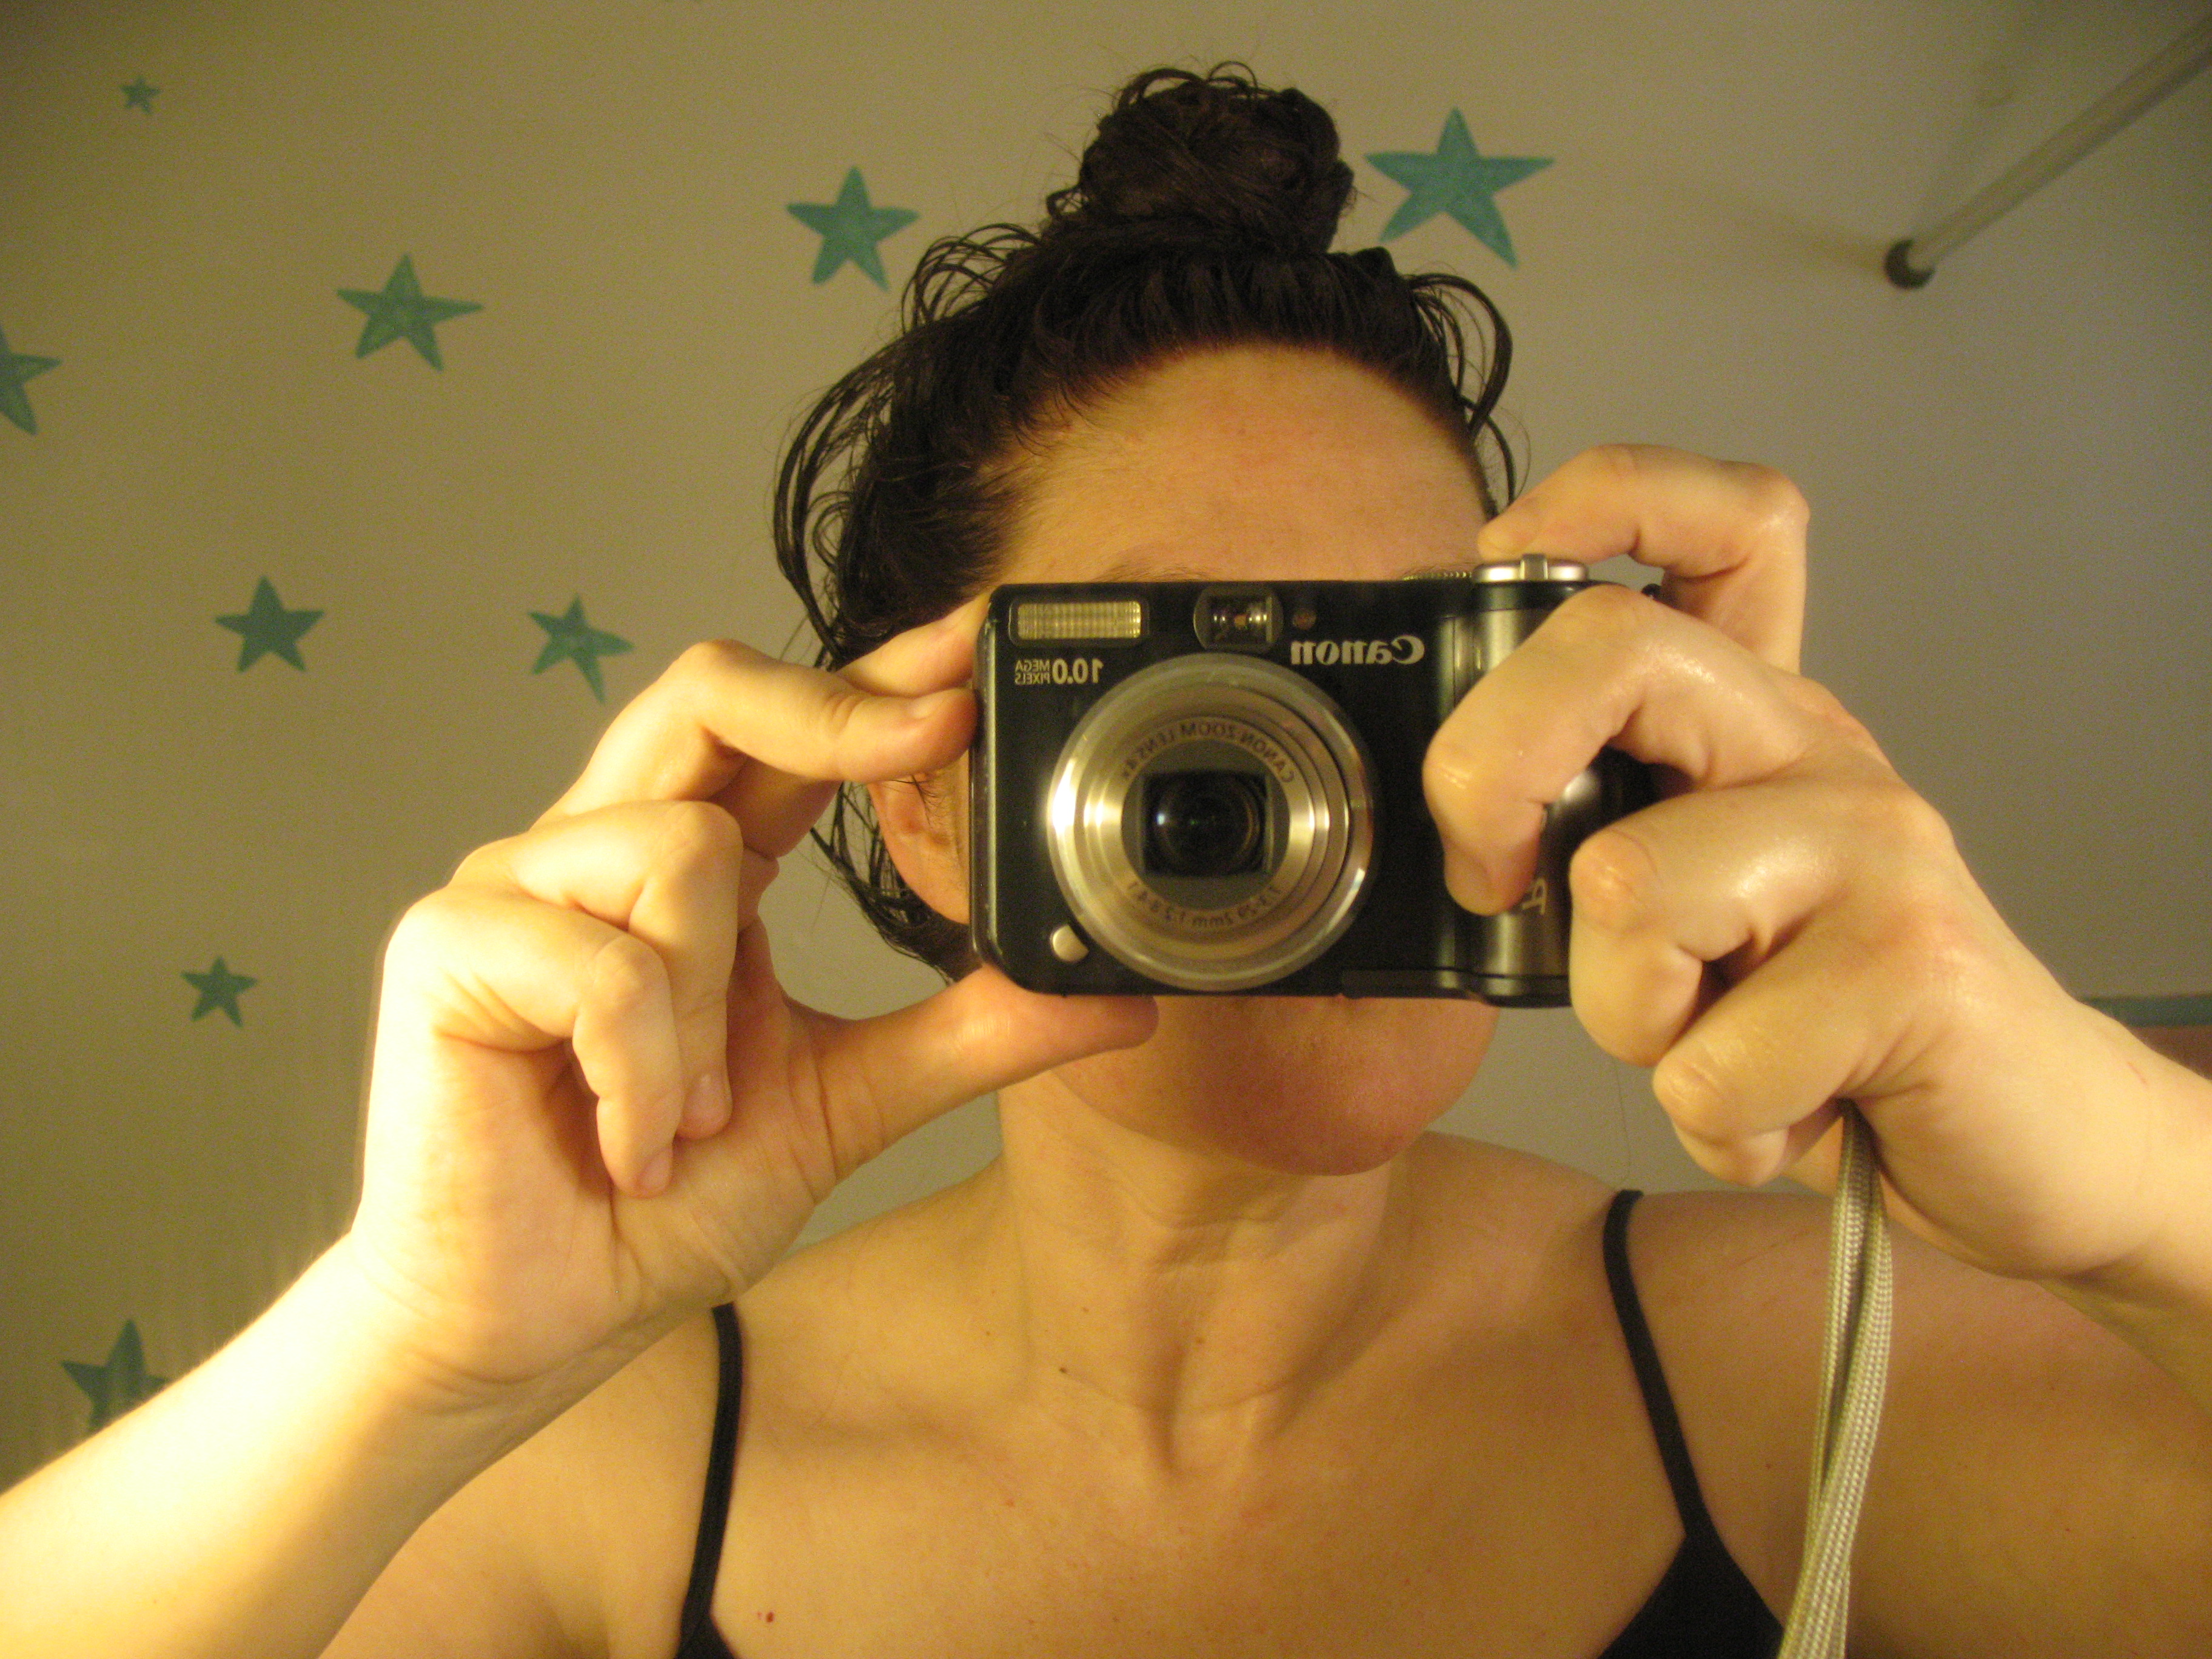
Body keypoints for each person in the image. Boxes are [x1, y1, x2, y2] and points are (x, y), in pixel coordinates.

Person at [3, 63, 2208, 1659]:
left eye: (1401, 680)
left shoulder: (1797, 1368)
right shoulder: (614, 1471)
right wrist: (400, 1357)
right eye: (1192, 701)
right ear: (923, 787)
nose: (1326, 790)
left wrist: (2140, 1179)